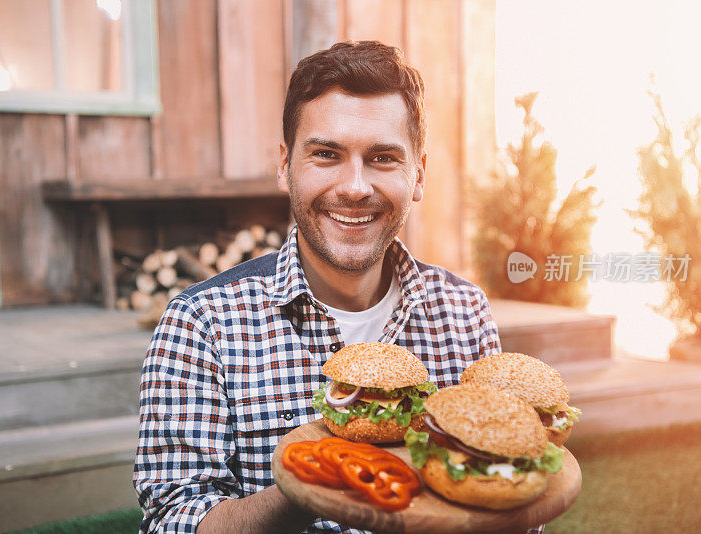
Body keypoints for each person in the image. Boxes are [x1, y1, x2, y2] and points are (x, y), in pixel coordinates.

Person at [134, 41, 523, 533]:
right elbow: (173, 521)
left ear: (418, 173)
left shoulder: (465, 312)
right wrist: (311, 484)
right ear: (284, 165)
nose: (355, 186)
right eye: (326, 154)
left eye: (382, 157)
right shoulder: (199, 324)